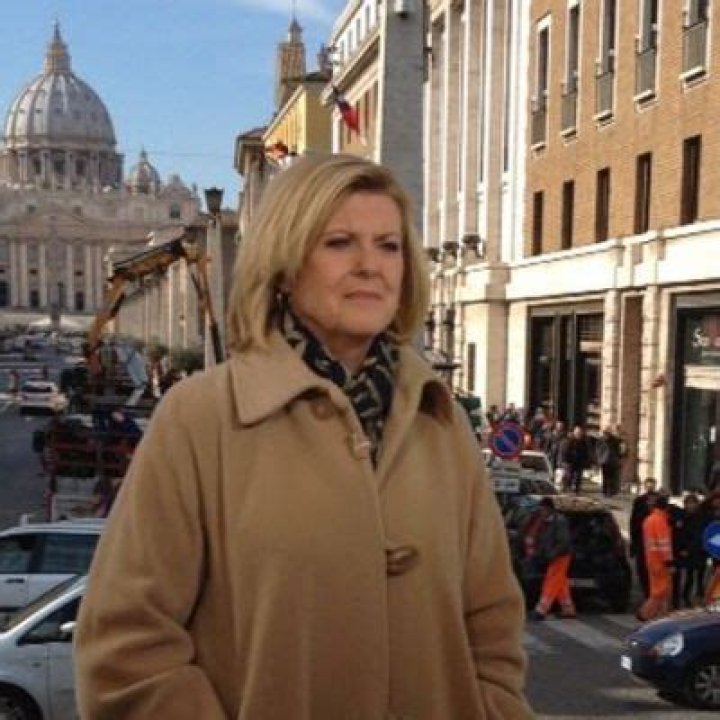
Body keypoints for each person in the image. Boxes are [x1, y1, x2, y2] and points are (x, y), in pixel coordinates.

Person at [74, 154, 533, 719]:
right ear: (287, 266)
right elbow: (126, 649)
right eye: (340, 243)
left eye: (389, 246)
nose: (371, 266)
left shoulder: (441, 421)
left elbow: (492, 619)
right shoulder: (198, 420)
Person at [520, 497, 576, 621]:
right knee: (560, 582)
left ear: (549, 509)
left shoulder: (559, 521)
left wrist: (551, 554)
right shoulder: (545, 521)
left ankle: (541, 610)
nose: (541, 512)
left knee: (551, 582)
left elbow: (563, 542)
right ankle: (568, 608)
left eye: (543, 509)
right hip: (554, 555)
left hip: (560, 556)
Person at [637, 494, 673, 621]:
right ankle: (645, 613)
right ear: (666, 507)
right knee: (660, 591)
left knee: (660, 591)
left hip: (651, 560)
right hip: (660, 562)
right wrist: (669, 562)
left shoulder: (649, 520)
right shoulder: (660, 521)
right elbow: (664, 543)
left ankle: (661, 615)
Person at [675, 493, 709, 607]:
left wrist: (689, 549)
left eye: (693, 503)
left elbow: (700, 536)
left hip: (699, 552)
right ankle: (686, 598)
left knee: (700, 576)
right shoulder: (681, 517)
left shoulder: (702, 517)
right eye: (688, 503)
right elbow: (679, 535)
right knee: (688, 577)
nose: (690, 506)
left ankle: (698, 597)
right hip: (685, 553)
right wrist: (681, 549)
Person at [629, 477, 658, 599]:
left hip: (655, 541)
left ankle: (652, 591)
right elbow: (634, 521)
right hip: (641, 539)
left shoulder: (660, 500)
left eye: (652, 485)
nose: (650, 487)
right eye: (648, 485)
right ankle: (646, 590)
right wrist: (633, 541)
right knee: (642, 567)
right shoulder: (639, 501)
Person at [558, 424, 592, 494]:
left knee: (578, 476)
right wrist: (564, 461)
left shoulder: (584, 442)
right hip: (569, 462)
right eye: (577, 433)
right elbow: (564, 452)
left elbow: (586, 452)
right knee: (569, 475)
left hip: (579, 462)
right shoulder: (569, 441)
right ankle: (566, 488)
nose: (578, 434)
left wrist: (586, 461)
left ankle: (576, 490)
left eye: (580, 433)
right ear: (574, 432)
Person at [595, 425, 623, 497]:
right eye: (605, 432)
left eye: (608, 432)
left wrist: (618, 457)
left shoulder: (615, 440)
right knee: (605, 477)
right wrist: (599, 458)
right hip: (605, 461)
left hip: (612, 461)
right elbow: (598, 450)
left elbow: (618, 450)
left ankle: (609, 491)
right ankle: (605, 491)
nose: (606, 434)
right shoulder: (601, 440)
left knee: (611, 477)